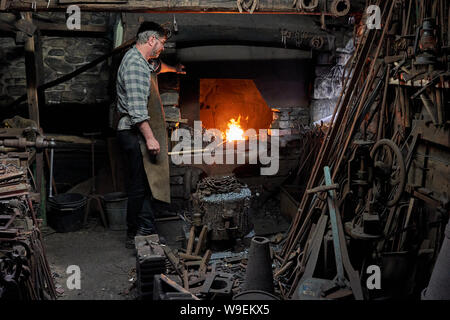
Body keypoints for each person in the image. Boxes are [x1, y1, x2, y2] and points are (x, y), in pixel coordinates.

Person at [115, 21, 185, 248]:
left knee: (145, 184)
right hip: (134, 134)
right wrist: (150, 137)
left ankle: (144, 227)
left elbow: (157, 67)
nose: (163, 48)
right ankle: (137, 232)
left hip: (138, 134)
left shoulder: (143, 62)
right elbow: (137, 110)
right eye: (162, 43)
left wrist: (174, 70)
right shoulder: (135, 66)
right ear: (152, 40)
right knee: (139, 186)